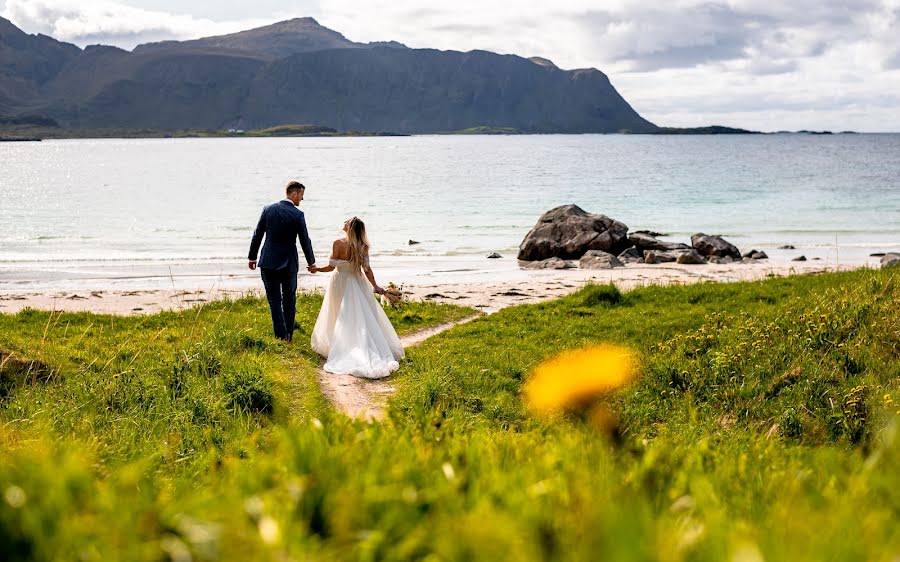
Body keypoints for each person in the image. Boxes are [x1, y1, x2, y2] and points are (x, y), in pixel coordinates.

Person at [310, 217, 404, 378]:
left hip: (339, 282)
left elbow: (331, 267)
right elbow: (367, 270)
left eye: (346, 221)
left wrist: (317, 269)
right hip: (357, 282)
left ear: (350, 227)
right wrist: (376, 287)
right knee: (358, 316)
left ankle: (339, 347)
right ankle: (355, 345)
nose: (343, 222)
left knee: (337, 314)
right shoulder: (363, 246)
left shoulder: (337, 243)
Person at [248, 181, 316, 341]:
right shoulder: (298, 214)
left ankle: (281, 336)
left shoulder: (268, 209)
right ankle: (289, 335)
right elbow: (305, 240)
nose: (302, 198)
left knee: (274, 299)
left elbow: (257, 234)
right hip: (289, 263)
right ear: (293, 194)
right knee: (289, 298)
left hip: (268, 261)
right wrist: (311, 262)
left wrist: (252, 256)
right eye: (301, 194)